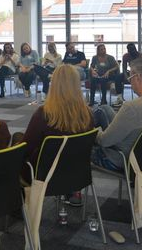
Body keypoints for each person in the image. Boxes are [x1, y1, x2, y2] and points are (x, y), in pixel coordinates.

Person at [15, 64, 93, 205]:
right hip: (77, 172)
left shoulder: (44, 114)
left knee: (16, 142)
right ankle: (71, 191)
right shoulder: (87, 113)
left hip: (45, 174)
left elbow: (26, 148)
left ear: (54, 84)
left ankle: (19, 207)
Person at [92, 57, 142, 171]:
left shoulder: (132, 107)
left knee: (81, 147)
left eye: (130, 77)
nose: (130, 82)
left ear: (138, 77)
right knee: (104, 108)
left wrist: (93, 132)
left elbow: (104, 141)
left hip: (122, 159)